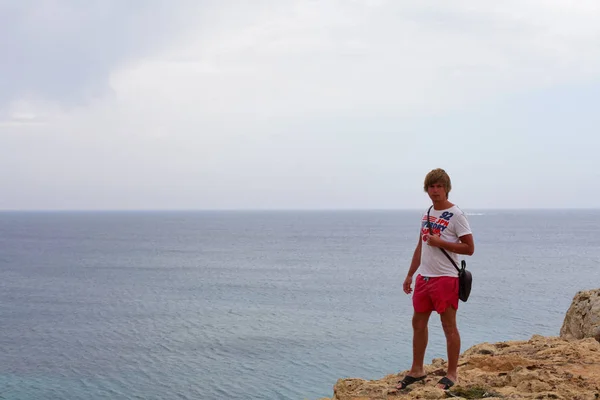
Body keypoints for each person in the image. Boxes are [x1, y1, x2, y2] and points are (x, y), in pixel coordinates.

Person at [396, 168, 475, 391]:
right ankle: (417, 369)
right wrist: (410, 274)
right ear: (427, 190)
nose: (435, 190)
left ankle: (452, 373)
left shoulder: (457, 215)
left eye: (440, 186)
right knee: (418, 323)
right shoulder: (428, 213)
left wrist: (442, 243)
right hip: (425, 278)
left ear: (447, 189)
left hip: (446, 279)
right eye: (432, 186)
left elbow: (469, 248)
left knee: (449, 326)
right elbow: (421, 246)